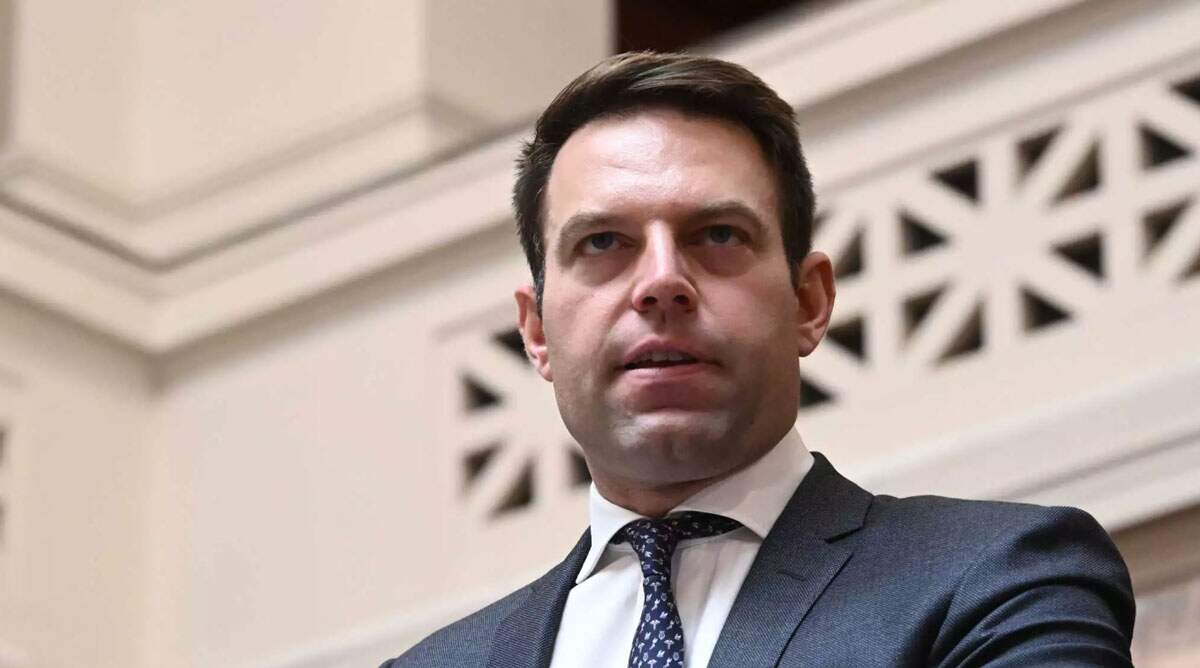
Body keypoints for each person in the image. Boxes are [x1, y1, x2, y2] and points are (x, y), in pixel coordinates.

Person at [382, 52, 1134, 667]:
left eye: (717, 235)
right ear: (537, 331)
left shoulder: (1003, 580)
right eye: (603, 242)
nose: (661, 282)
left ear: (808, 302)